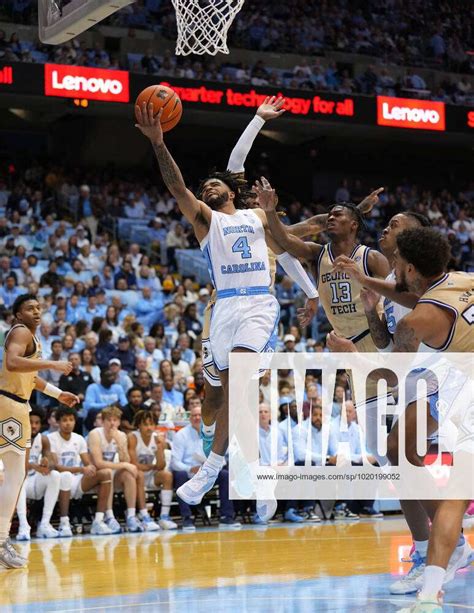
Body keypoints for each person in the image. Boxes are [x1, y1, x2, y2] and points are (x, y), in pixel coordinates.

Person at [328, 227, 473, 611]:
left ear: (408, 266)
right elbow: (415, 296)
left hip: (453, 385)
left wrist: (347, 354)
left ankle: (430, 595)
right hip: (450, 381)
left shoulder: (416, 322)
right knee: (403, 454)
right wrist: (365, 280)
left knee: (454, 500)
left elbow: (389, 374)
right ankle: (435, 577)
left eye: (397, 265)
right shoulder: (463, 279)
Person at [0, 294, 78, 568]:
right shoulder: (20, 332)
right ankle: (0, 542)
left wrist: (57, 394)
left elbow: (28, 377)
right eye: (29, 308)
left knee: (13, 475)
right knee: (14, 474)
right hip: (9, 405)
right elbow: (12, 363)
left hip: (16, 404)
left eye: (38, 307)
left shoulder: (31, 337)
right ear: (18, 314)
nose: (36, 311)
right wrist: (53, 364)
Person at [169, 402, 239, 530]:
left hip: (208, 472)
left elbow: (226, 452)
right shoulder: (181, 435)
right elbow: (175, 462)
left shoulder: (214, 431)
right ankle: (187, 518)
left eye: (199, 415)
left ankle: (226, 517)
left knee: (225, 475)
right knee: (179, 475)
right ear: (189, 418)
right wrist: (190, 468)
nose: (196, 418)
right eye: (194, 415)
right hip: (189, 472)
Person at [88, 405, 157, 532]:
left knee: (128, 474)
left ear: (119, 422)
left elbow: (125, 461)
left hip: (113, 475)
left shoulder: (121, 435)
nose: (112, 423)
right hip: (95, 477)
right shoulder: (95, 434)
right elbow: (98, 463)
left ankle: (131, 515)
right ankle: (109, 516)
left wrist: (120, 444)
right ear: (103, 422)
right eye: (109, 420)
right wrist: (124, 465)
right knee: (109, 472)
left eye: (115, 420)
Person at [49, 406, 112, 536]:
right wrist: (81, 469)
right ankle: (64, 522)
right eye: (64, 420)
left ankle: (98, 521)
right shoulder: (51, 438)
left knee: (106, 473)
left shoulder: (79, 438)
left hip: (77, 480)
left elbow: (87, 463)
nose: (68, 423)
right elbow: (57, 467)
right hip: (58, 480)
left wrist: (91, 468)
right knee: (65, 475)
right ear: (58, 422)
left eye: (71, 420)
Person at [16, 408, 64, 540]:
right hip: (17, 483)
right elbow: (13, 466)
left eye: (37, 423)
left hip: (34, 482)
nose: (34, 426)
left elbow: (53, 463)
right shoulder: (16, 437)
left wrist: (46, 463)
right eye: (31, 422)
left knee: (55, 475)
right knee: (18, 479)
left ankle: (44, 524)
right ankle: (23, 526)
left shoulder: (43, 439)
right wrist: (33, 465)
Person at [127, 410, 178, 529]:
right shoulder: (133, 437)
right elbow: (134, 464)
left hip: (150, 475)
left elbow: (160, 466)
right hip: (134, 477)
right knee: (139, 473)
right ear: (139, 425)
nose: (149, 427)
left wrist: (160, 448)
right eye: (145, 424)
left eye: (151, 424)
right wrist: (151, 467)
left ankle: (164, 516)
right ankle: (145, 516)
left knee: (167, 475)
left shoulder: (157, 439)